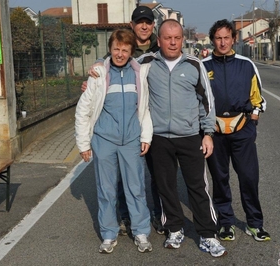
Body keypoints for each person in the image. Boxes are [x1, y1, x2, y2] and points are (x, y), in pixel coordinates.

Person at [138, 19, 227, 258]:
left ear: (182, 39)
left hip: (190, 136)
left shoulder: (194, 65)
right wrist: (95, 73)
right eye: (168, 38)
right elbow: (116, 65)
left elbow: (207, 103)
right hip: (159, 138)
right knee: (165, 187)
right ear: (159, 41)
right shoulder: (146, 63)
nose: (173, 42)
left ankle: (208, 234)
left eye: (177, 37)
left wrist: (208, 134)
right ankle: (174, 229)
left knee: (198, 187)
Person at [81, 5, 164, 236]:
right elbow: (104, 64)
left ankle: (158, 214)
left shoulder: (161, 47)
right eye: (140, 22)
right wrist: (94, 71)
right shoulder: (121, 50)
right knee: (122, 179)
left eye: (148, 21)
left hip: (153, 122)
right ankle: (126, 216)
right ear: (132, 25)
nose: (144, 25)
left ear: (153, 25)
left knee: (155, 175)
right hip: (128, 126)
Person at [75, 29, 153, 254]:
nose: (120, 54)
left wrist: (145, 136)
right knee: (106, 190)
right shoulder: (99, 73)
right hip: (104, 140)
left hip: (131, 139)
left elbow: (144, 107)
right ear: (110, 49)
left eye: (125, 50)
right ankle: (109, 233)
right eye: (116, 49)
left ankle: (140, 231)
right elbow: (84, 110)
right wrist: (83, 144)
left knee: (136, 188)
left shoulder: (139, 72)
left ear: (131, 51)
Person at [201, 19, 270, 242]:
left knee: (249, 178)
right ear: (213, 40)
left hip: (242, 132)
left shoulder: (246, 64)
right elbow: (198, 99)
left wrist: (252, 122)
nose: (222, 42)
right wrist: (206, 130)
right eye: (218, 38)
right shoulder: (203, 66)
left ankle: (255, 224)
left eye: (226, 38)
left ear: (234, 39)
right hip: (215, 133)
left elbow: (258, 98)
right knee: (220, 180)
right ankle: (226, 223)